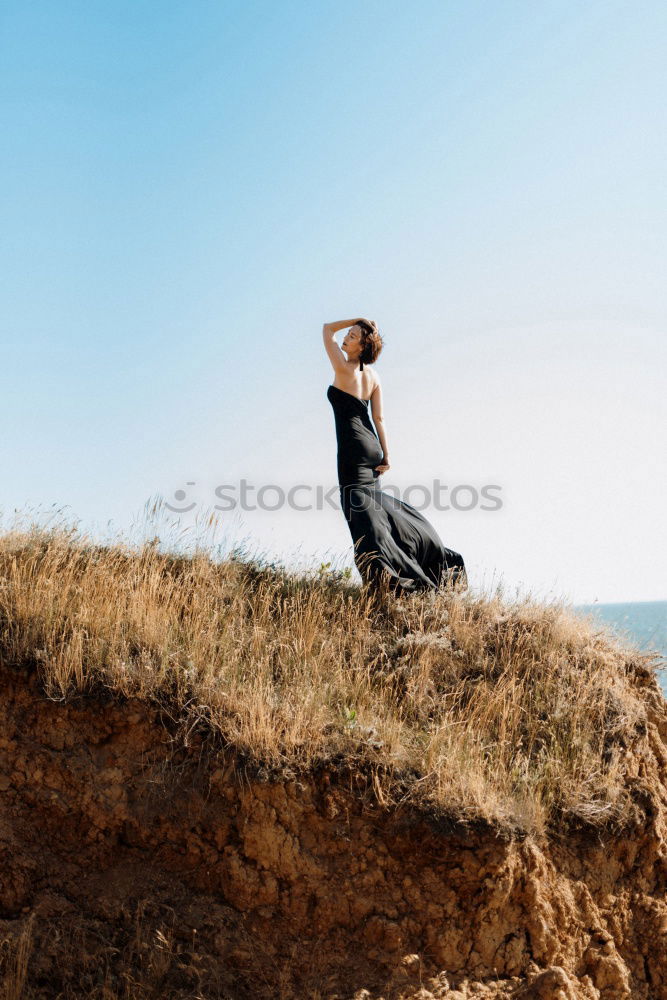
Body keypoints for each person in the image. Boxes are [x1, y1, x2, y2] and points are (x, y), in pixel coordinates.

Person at [323, 318, 468, 596]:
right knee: (375, 508)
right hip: (372, 446)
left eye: (352, 336)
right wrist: (386, 454)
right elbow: (378, 417)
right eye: (349, 334)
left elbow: (327, 329)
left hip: (353, 448)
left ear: (363, 345)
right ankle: (419, 560)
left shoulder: (343, 369)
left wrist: (357, 320)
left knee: (360, 515)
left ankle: (390, 579)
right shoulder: (373, 377)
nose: (345, 338)